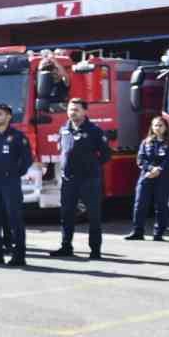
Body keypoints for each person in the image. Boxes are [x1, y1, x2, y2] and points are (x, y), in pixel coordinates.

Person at [51, 97, 111, 260]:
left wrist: (91, 167)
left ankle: (95, 250)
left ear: (85, 111)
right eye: (70, 109)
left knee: (93, 216)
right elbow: (62, 150)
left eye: (76, 109)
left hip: (89, 180)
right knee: (67, 215)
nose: (72, 112)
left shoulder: (95, 131)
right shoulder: (64, 129)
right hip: (69, 179)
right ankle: (66, 246)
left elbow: (106, 155)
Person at [0, 103, 32, 265]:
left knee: (14, 218)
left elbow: (27, 159)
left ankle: (19, 255)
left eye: (0, 114)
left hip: (10, 182)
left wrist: (15, 173)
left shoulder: (18, 136)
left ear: (9, 116)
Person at [128, 115, 169, 241]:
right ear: (152, 127)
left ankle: (158, 233)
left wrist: (159, 169)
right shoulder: (146, 141)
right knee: (140, 204)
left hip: (164, 178)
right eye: (155, 125)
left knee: (161, 205)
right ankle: (137, 232)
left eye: (160, 125)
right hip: (146, 176)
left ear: (166, 127)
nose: (158, 128)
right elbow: (140, 159)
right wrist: (151, 169)